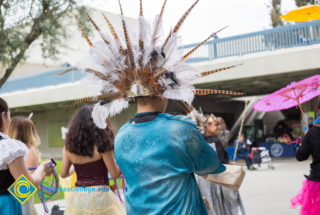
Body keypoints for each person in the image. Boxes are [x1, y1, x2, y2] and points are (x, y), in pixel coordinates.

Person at [114, 96, 225, 214]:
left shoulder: (120, 135)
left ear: (134, 98)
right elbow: (210, 164)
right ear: (163, 96)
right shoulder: (179, 128)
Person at [60, 105, 126, 215]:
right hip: (100, 196)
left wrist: (78, 166)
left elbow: (63, 174)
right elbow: (115, 174)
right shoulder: (102, 145)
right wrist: (125, 162)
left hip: (78, 197)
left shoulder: (68, 147)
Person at [0, 97, 50, 215]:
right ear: (3, 116)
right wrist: (42, 168)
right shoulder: (9, 147)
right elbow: (27, 186)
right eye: (9, 115)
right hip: (6, 205)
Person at [196, 114, 246, 215]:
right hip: (211, 180)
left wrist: (228, 163)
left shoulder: (213, 139)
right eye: (216, 125)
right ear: (207, 126)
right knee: (215, 204)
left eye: (219, 125)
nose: (219, 127)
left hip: (213, 178)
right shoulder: (203, 141)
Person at [290, 102, 320, 215]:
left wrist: (303, 143)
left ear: (318, 111)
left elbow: (300, 156)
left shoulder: (311, 133)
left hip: (318, 180)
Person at [8, 117, 42, 215]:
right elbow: (28, 186)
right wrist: (42, 170)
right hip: (20, 202)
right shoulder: (30, 151)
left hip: (12, 199)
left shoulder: (8, 149)